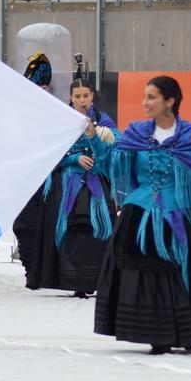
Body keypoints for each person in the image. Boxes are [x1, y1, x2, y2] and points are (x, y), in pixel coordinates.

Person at [90, 75, 191, 354]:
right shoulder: (136, 133)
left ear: (170, 101)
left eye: (152, 97)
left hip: (181, 213)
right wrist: (93, 140)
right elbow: (112, 164)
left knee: (186, 270)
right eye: (144, 97)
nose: (145, 103)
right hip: (140, 214)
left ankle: (187, 331)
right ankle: (156, 334)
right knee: (145, 275)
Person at [26, 77, 117, 297]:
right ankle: (72, 280)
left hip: (96, 182)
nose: (82, 100)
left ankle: (97, 279)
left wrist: (106, 137)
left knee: (98, 231)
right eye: (77, 96)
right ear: (71, 97)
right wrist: (74, 159)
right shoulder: (61, 120)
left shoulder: (103, 120)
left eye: (86, 95)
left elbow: (118, 145)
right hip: (69, 184)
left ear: (92, 96)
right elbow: (51, 154)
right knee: (70, 232)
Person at [12, 51, 55, 275]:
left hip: (52, 178)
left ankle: (41, 269)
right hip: (26, 178)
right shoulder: (19, 113)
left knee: (47, 226)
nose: (41, 91)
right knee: (23, 225)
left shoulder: (60, 112)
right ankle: (30, 266)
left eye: (44, 88)